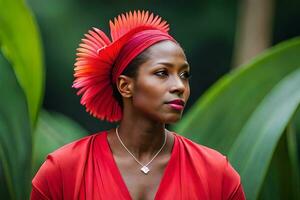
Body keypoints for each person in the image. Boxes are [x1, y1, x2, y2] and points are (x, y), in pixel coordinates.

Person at [31, 10, 246, 200]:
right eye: (162, 73)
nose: (180, 86)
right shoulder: (63, 171)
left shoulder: (217, 174)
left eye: (184, 75)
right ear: (125, 86)